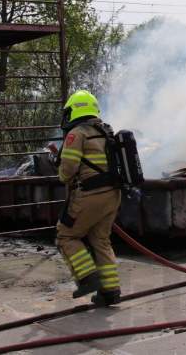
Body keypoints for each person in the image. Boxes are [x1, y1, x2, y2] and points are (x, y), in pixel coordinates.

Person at [53, 90, 122, 307]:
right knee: (100, 241)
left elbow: (69, 169)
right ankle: (110, 292)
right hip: (113, 195)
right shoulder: (107, 131)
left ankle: (87, 277)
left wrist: (62, 174)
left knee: (65, 237)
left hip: (90, 195)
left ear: (73, 111)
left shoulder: (77, 134)